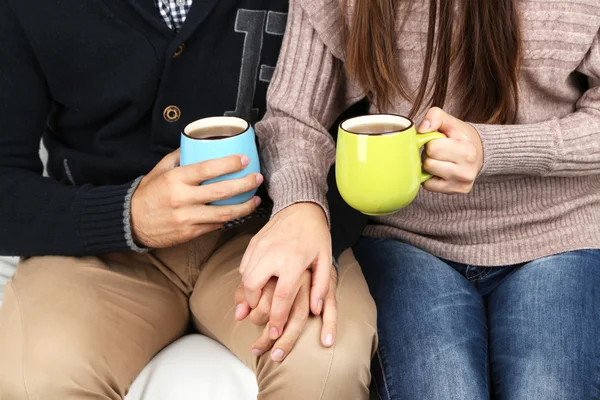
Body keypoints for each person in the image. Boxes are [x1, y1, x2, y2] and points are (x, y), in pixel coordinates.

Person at [0, 0, 377, 399]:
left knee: (324, 364)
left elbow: (372, 124)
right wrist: (127, 216)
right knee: (36, 379)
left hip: (271, 235)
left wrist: (310, 219)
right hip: (97, 248)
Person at [247, 0, 600, 398]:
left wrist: (495, 149)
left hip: (560, 234)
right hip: (405, 239)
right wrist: (301, 205)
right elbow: (294, 118)